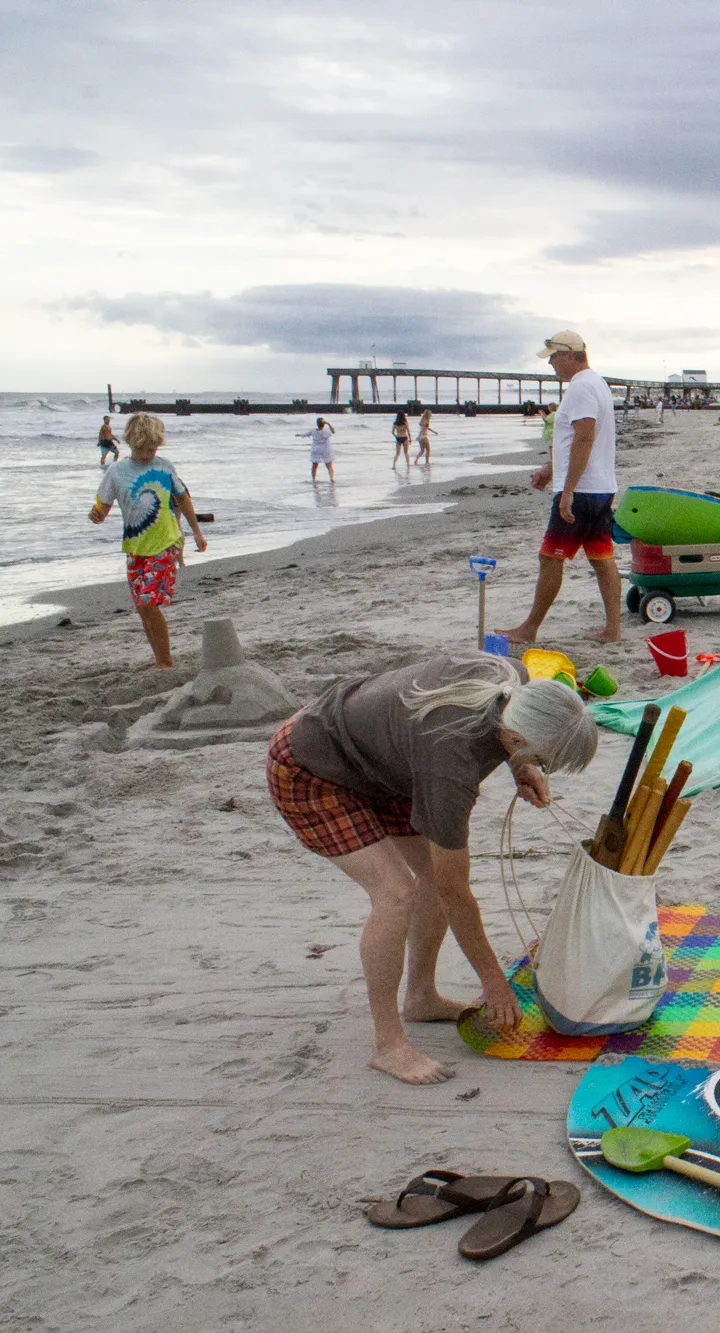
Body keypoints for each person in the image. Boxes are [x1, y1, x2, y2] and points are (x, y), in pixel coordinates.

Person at [266, 654, 597, 1083]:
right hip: (311, 764)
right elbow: (453, 890)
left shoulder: (513, 680)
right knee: (396, 894)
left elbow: (445, 879)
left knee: (430, 874)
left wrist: (524, 764)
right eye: (545, 759)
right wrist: (494, 982)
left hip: (389, 761)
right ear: (516, 735)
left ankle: (421, 997)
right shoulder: (449, 765)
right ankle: (388, 1045)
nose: (544, 768)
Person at [499, 330, 622, 644]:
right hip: (600, 487)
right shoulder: (597, 384)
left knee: (550, 557)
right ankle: (612, 629)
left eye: (553, 356)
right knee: (601, 557)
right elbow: (575, 440)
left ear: (570, 354)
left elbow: (584, 438)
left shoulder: (581, 387)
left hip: (581, 491)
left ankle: (529, 629)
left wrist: (567, 490)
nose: (551, 364)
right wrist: (550, 469)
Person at [88, 413, 208, 668]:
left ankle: (165, 662)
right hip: (135, 547)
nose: (149, 452)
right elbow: (103, 508)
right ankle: (159, 659)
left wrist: (196, 531)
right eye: (144, 448)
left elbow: (184, 498)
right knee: (142, 608)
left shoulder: (164, 467)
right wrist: (96, 515)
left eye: (154, 447)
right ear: (132, 442)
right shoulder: (117, 471)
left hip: (166, 543)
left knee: (148, 602)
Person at [303, 416, 338, 482]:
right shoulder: (325, 431)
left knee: (314, 466)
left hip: (315, 450)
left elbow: (305, 434)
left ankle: (313, 479)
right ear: (324, 424)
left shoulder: (313, 430)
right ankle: (332, 479)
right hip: (325, 450)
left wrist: (299, 435)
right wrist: (328, 424)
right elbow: (333, 431)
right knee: (329, 466)